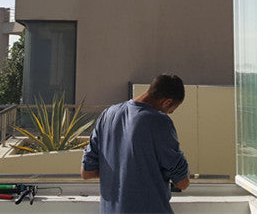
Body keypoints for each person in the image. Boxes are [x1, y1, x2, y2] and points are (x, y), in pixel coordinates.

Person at [81, 73, 190, 213]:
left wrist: (122, 172)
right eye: (171, 110)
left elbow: (87, 172)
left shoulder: (107, 115)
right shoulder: (159, 122)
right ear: (167, 102)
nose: (169, 114)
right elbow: (182, 183)